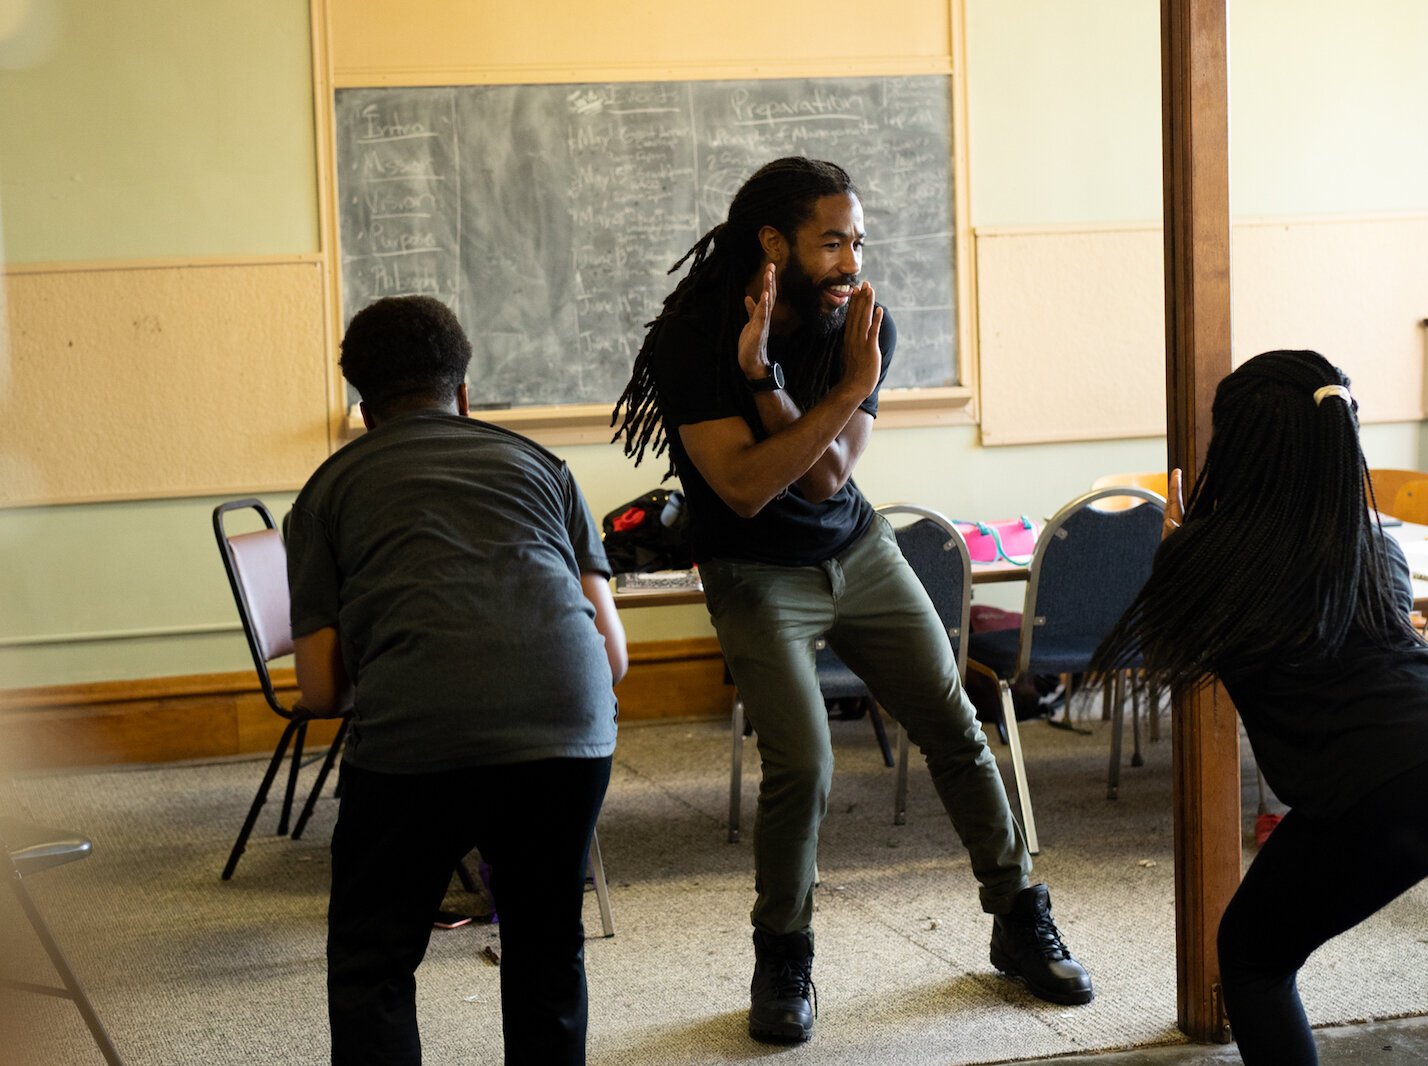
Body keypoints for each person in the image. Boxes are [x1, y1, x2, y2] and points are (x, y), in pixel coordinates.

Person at [611, 156, 1092, 1044]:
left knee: (954, 723)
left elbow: (829, 475)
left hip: (858, 551)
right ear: (772, 242)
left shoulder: (864, 329)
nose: (850, 262)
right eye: (831, 241)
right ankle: (783, 957)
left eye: (858, 241)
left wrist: (782, 381)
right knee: (804, 764)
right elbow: (750, 489)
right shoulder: (696, 335)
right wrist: (775, 374)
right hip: (754, 574)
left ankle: (1021, 918)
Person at [1090, 349, 1428, 1065]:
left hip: (1394, 786)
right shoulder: (1373, 541)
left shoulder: (1208, 557)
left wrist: (1178, 548)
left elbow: (1177, 643)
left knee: (1253, 957)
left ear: (1240, 444)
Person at [287, 295, 627, 1066]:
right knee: (546, 945)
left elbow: (318, 691)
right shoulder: (543, 468)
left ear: (363, 410)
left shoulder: (329, 490)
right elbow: (613, 655)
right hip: (568, 726)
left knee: (373, 960)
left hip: (417, 737)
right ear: (464, 394)